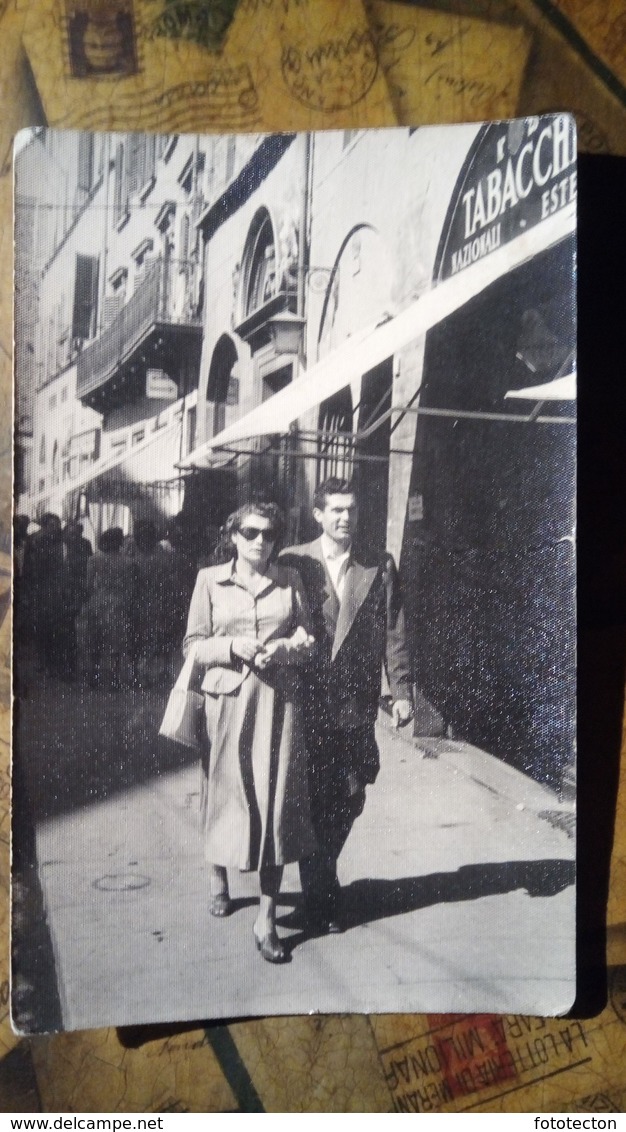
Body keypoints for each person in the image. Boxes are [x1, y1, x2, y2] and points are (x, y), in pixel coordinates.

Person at [182, 501, 316, 963]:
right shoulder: (209, 581)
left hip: (278, 704)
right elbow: (193, 646)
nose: (261, 542)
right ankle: (217, 874)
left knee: (275, 804)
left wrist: (285, 648)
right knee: (223, 794)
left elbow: (308, 637)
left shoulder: (290, 581)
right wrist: (234, 646)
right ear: (233, 536)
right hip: (225, 704)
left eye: (270, 534)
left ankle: (268, 917)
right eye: (252, 533)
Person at [281, 477, 414, 933]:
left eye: (352, 509)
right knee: (313, 797)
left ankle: (321, 877)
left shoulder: (379, 565)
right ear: (318, 514)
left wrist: (401, 693)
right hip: (304, 701)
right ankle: (320, 892)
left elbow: (394, 632)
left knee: (352, 796)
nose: (345, 518)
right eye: (336, 509)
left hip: (354, 703)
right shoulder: (292, 561)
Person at [77, 526, 138, 689]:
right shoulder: (128, 561)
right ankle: (114, 677)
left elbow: (89, 584)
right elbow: (130, 586)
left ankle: (94, 675)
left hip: (97, 601)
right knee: (115, 643)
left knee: (95, 640)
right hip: (118, 603)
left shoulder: (94, 559)